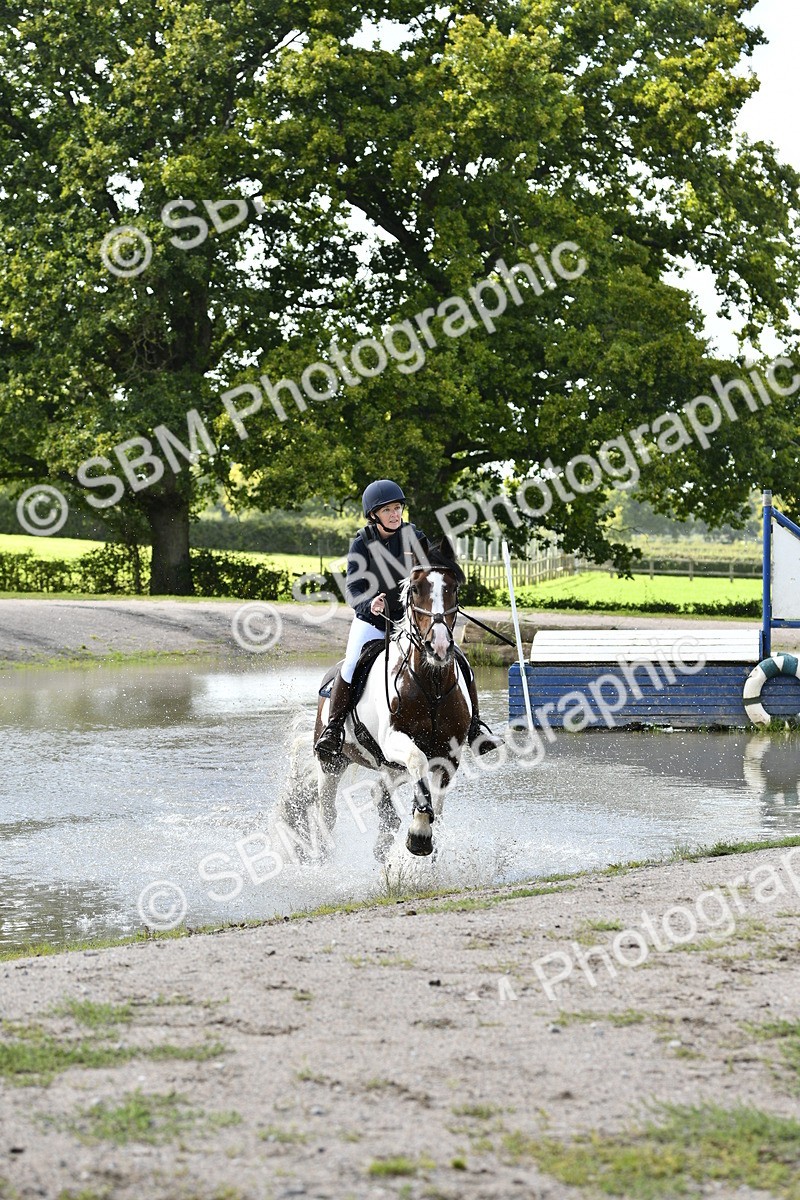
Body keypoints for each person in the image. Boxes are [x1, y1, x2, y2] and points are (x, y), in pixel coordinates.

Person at [314, 478, 503, 765]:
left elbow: (434, 567)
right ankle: (335, 728)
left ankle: (475, 727)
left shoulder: (413, 535)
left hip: (413, 621)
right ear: (374, 514)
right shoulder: (362, 543)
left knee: (459, 660)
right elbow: (352, 588)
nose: (395, 514)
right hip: (373, 622)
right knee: (351, 664)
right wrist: (369, 603)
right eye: (388, 510)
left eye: (398, 508)